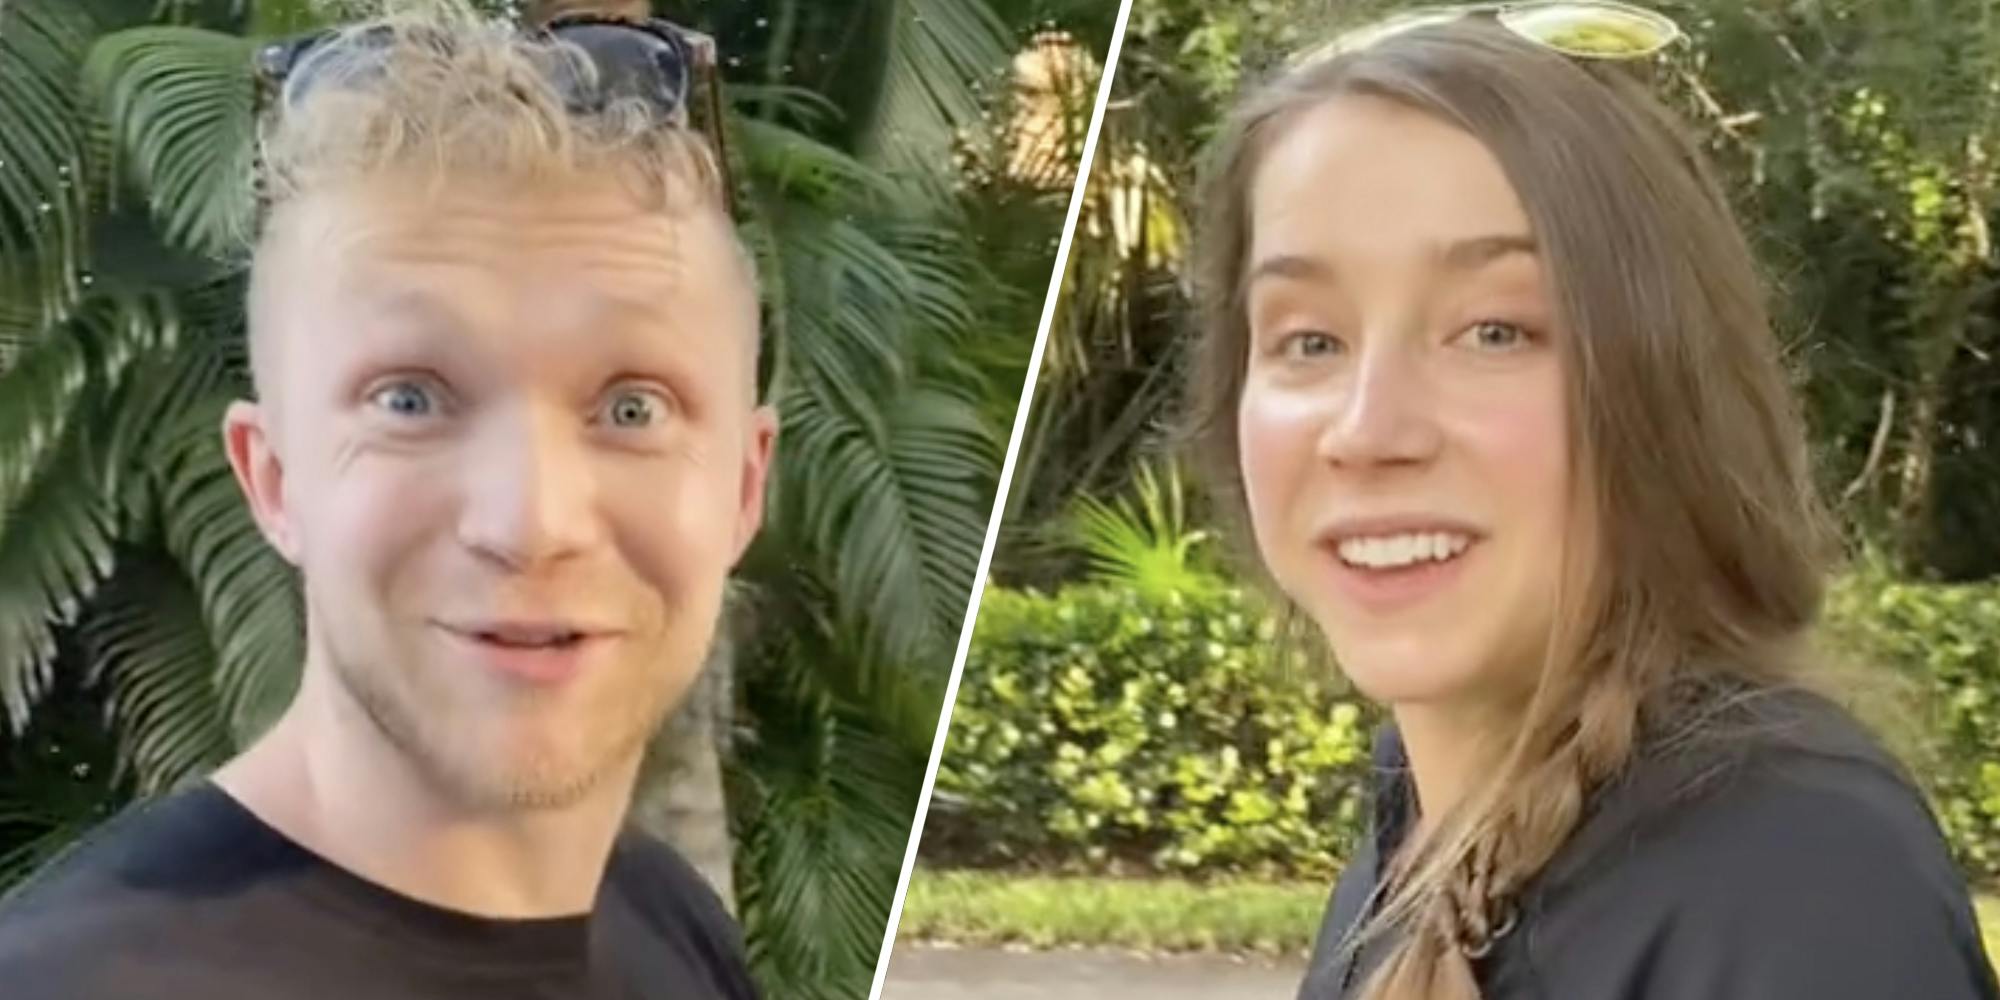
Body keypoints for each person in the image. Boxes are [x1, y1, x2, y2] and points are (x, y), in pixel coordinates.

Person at [1185, 3, 2000, 998]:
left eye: (1493, 330)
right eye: (1308, 340)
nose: (1366, 430)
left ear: (1662, 387)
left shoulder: (1794, 885)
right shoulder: (1412, 847)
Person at [0, 5, 772, 998]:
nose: (530, 523)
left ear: (742, 487)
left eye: (632, 406)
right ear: (273, 479)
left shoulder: (662, 919)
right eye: (409, 399)